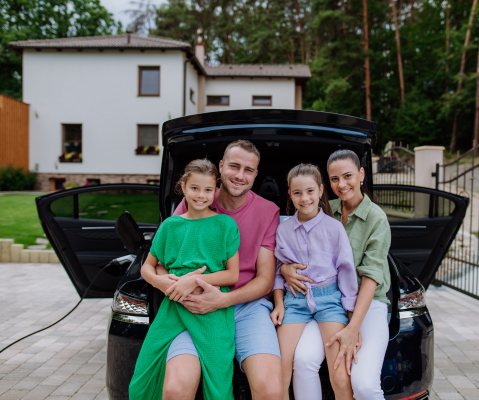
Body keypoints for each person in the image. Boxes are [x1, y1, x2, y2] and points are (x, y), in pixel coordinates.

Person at [151, 140, 283, 400]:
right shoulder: (195, 200)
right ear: (221, 167)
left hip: (247, 309)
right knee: (175, 389)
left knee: (271, 390)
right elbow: (162, 260)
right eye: (234, 166)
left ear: (256, 174)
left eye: (248, 170)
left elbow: (265, 280)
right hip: (194, 307)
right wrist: (173, 283)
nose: (239, 175)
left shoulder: (268, 212)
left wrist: (222, 300)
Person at [281, 149, 392, 400]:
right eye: (334, 179)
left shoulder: (376, 218)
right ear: (325, 185)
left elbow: (371, 277)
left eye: (348, 176)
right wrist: (285, 269)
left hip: (367, 304)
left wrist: (353, 326)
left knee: (362, 384)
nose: (341, 185)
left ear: (361, 174)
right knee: (304, 360)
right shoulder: (324, 208)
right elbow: (295, 247)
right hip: (329, 301)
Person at [129, 159, 240, 400]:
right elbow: (147, 267)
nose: (201, 195)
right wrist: (163, 283)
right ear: (183, 187)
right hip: (173, 307)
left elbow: (232, 274)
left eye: (208, 190)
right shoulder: (171, 225)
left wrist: (194, 282)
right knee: (141, 379)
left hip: (210, 311)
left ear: (216, 190)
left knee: (219, 384)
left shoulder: (225, 225)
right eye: (195, 188)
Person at [270, 164, 358, 400]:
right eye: (297, 193)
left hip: (329, 300)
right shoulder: (284, 230)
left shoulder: (334, 228)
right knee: (279, 369)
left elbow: (346, 272)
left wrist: (352, 322)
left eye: (310, 191)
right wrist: (279, 304)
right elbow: (279, 271)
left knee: (340, 374)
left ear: (320, 191)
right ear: (290, 194)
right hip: (296, 301)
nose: (304, 198)